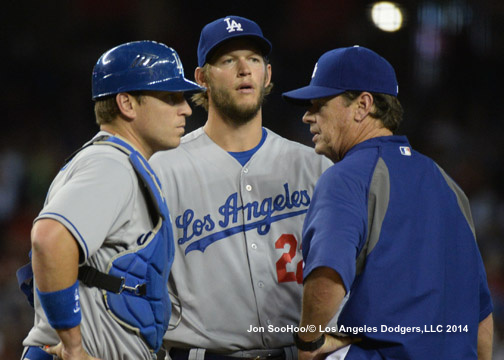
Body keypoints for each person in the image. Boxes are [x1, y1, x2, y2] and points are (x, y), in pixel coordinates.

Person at [282, 45, 494, 360]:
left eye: (319, 103)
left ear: (362, 105)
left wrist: (309, 344)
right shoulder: (448, 184)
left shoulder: (348, 177)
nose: (308, 116)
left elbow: (328, 276)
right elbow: (481, 314)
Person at [149, 15, 332, 360]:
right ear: (201, 78)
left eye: (254, 59)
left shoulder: (314, 166)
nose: (244, 69)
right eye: (228, 60)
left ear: (268, 75)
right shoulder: (163, 169)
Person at [19, 40, 204, 360]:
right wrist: (73, 345)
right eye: (170, 97)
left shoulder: (111, 161)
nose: (186, 108)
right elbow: (49, 240)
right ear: (127, 104)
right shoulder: (111, 164)